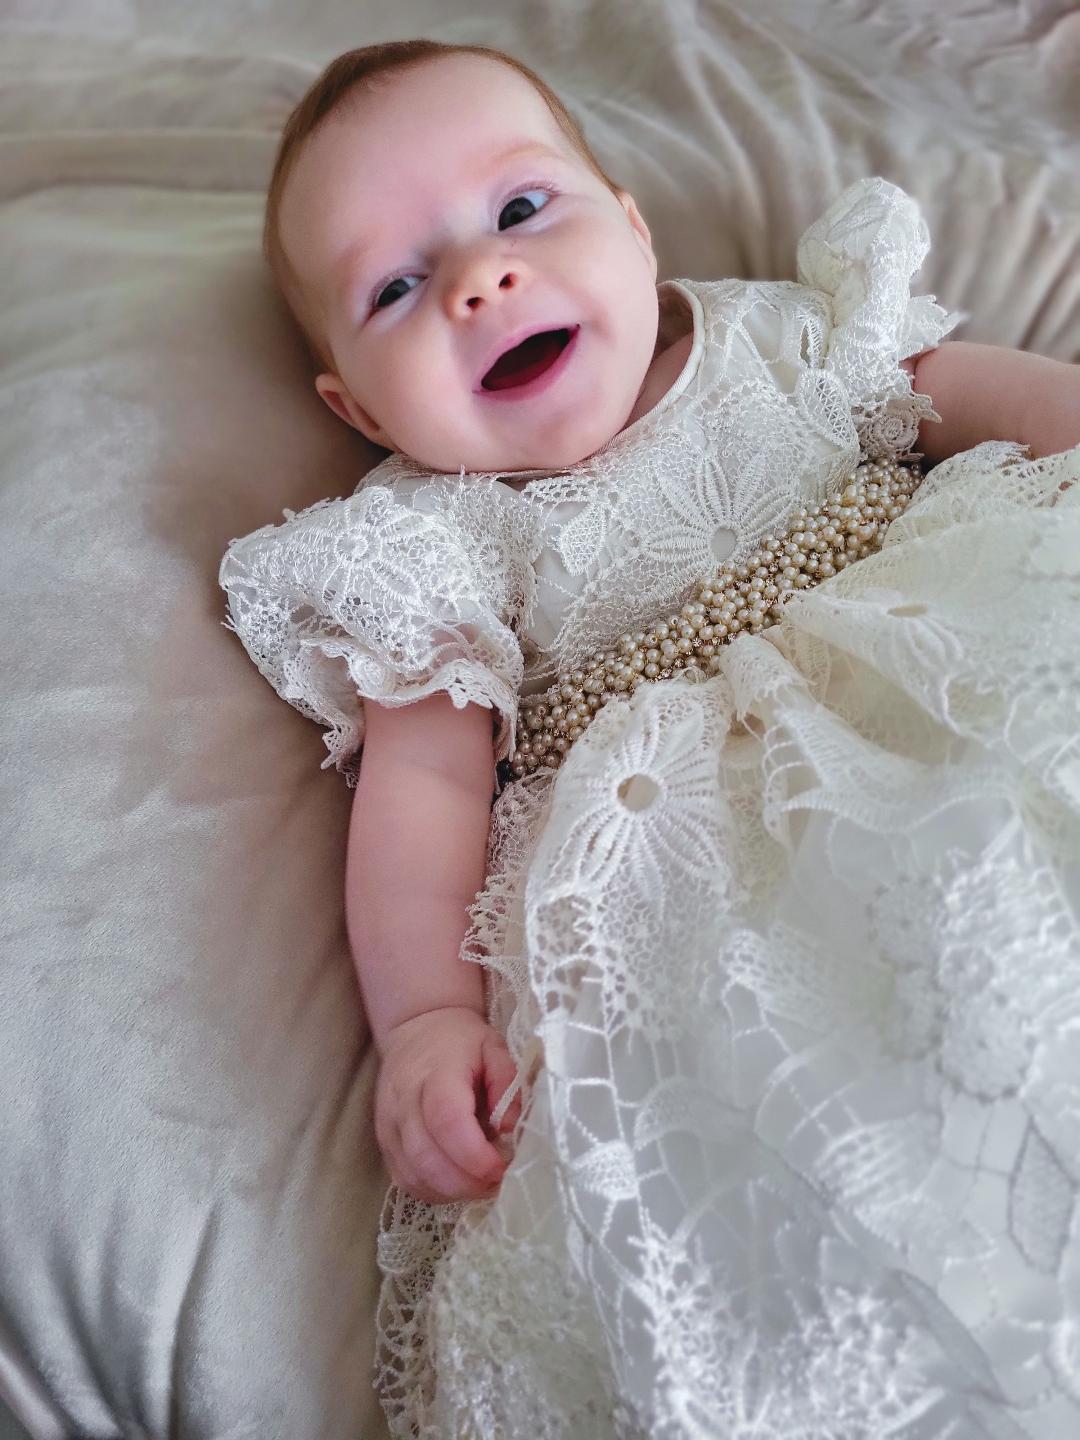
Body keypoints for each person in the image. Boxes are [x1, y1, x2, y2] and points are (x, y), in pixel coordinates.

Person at [219, 37, 1080, 1440]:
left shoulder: (783, 334)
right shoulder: (433, 542)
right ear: (358, 410)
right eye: (395, 289)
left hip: (939, 661)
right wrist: (426, 1018)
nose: (480, 281)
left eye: (521, 209)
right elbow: (421, 791)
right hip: (685, 858)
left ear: (631, 230)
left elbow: (971, 388)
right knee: (773, 1110)